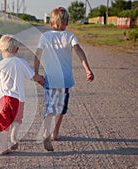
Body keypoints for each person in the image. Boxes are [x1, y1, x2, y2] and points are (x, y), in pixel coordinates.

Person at [34, 7, 94, 151]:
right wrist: (87, 69)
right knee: (61, 108)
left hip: (50, 79)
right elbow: (79, 51)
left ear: (50, 23)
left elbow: (37, 54)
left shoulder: (45, 37)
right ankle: (55, 132)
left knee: (50, 107)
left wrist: (35, 74)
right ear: (67, 22)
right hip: (65, 80)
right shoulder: (70, 36)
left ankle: (48, 131)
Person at [0, 34, 44, 155]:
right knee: (17, 120)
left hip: (3, 99)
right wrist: (41, 79)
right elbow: (32, 77)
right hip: (18, 98)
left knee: (4, 123)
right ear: (17, 50)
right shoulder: (21, 62)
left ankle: (4, 147)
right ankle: (14, 137)